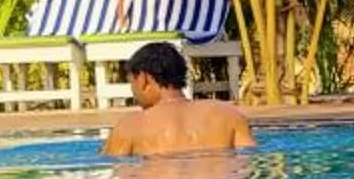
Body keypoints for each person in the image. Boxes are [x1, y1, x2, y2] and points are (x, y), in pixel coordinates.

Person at [102, 42, 256, 157]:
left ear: (143, 79)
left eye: (131, 82)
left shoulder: (128, 126)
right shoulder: (230, 115)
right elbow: (248, 162)